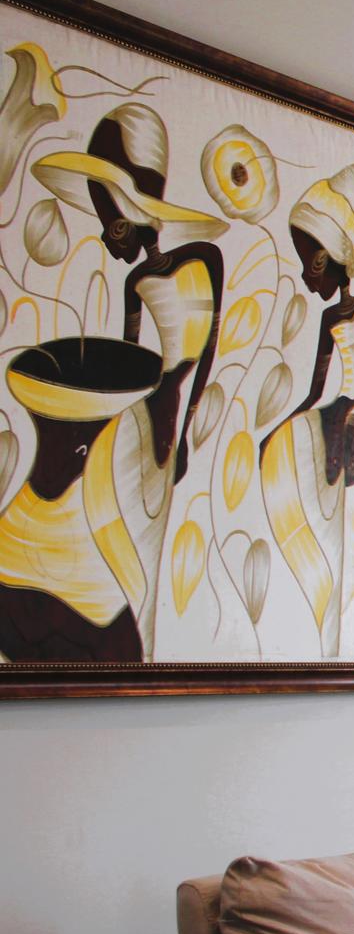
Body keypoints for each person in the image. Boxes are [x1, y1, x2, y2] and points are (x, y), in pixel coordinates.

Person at [0, 104, 227, 660]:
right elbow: (129, 354)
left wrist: (186, 427)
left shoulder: (202, 259)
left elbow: (205, 350)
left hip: (157, 421)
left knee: (109, 543)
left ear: (136, 210)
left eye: (113, 223)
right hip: (140, 413)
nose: (107, 238)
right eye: (105, 225)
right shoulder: (137, 279)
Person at [260, 162, 354, 656]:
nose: (306, 273)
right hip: (339, 428)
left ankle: (331, 639)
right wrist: (281, 428)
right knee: (325, 535)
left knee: (341, 538)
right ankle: (324, 642)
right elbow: (319, 390)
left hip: (353, 429)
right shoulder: (348, 311)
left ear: (332, 258)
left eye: (311, 261)